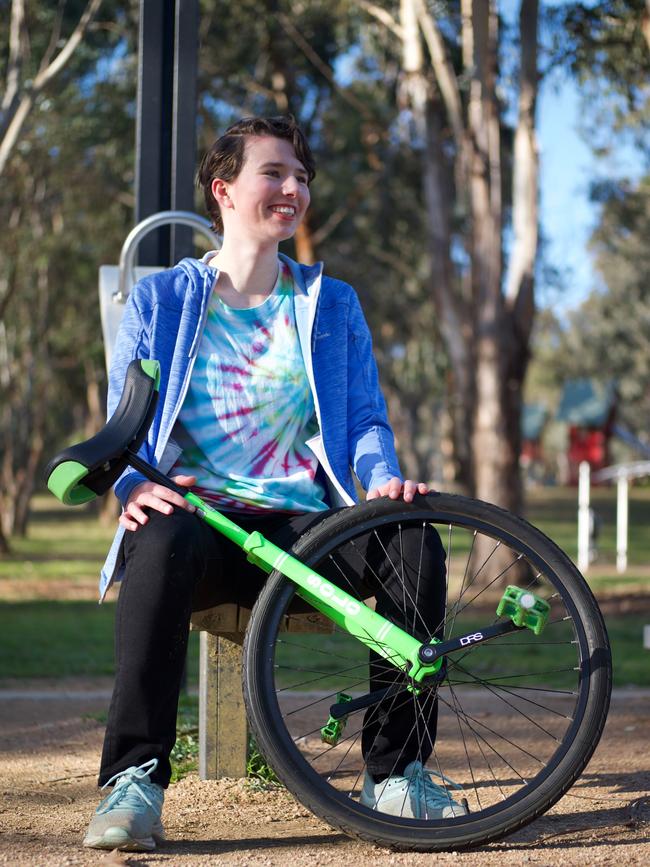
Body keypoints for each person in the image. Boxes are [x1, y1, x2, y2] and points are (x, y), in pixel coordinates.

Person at [84, 115, 466, 852]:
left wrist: (383, 479)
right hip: (204, 527)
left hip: (303, 529)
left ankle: (397, 772)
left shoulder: (330, 304)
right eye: (275, 173)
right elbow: (122, 420)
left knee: (412, 540)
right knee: (157, 536)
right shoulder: (163, 300)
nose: (294, 188)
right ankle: (133, 783)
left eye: (302, 177)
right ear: (223, 190)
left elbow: (363, 423)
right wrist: (132, 487)